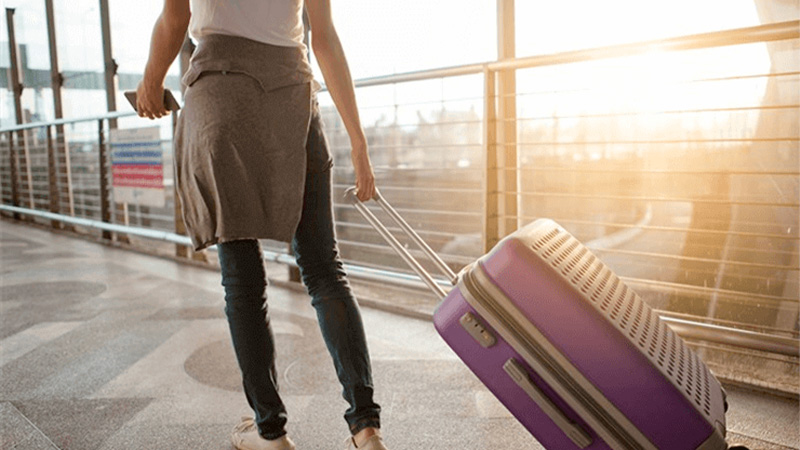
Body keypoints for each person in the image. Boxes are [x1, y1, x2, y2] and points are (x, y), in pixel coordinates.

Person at [136, 1, 388, 449]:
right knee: (324, 270)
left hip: (220, 97)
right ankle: (366, 428)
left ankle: (270, 433)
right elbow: (323, 37)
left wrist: (150, 83)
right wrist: (358, 140)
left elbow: (175, 19)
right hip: (291, 94)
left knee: (243, 282)